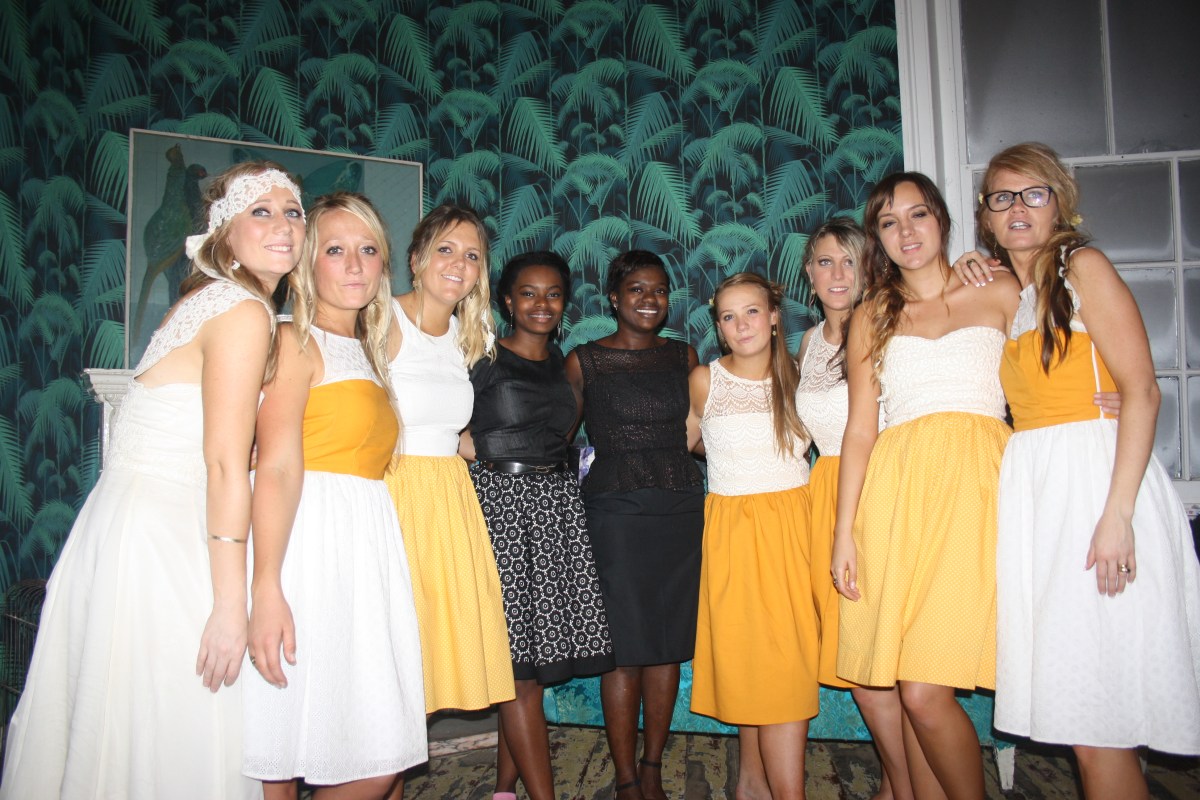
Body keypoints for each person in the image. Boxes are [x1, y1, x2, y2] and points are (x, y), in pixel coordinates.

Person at [0, 162, 304, 799]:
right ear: (223, 233)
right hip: (167, 534)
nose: (283, 225)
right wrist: (231, 605)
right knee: (182, 720)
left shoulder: (207, 299)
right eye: (261, 211)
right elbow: (224, 464)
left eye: (293, 212)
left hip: (126, 521)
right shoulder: (243, 311)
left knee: (122, 721)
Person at [967, 142, 1200, 799]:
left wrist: (1117, 517)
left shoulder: (1083, 267)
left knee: (1099, 722)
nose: (1018, 207)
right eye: (1002, 197)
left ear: (1059, 203)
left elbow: (1143, 390)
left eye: (1033, 193)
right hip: (1042, 499)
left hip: (1097, 492)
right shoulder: (1013, 294)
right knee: (1085, 717)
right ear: (986, 215)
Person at [830, 172, 1019, 800]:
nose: (906, 231)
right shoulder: (872, 315)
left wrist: (1101, 399)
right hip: (898, 496)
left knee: (923, 690)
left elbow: (1051, 369)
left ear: (942, 219)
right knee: (911, 672)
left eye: (917, 215)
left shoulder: (999, 289)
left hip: (979, 490)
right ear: (878, 239)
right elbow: (860, 430)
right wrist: (844, 533)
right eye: (889, 222)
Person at [243, 192, 426, 799]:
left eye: (368, 250)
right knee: (287, 728)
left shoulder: (367, 352)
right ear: (306, 264)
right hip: (308, 545)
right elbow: (273, 467)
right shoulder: (294, 340)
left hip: (360, 547)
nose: (354, 265)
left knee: (365, 738)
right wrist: (266, 587)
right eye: (335, 250)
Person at [461, 251, 615, 800]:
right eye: (528, 293)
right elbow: (443, 425)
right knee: (517, 672)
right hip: (499, 512)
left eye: (552, 294)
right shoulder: (480, 358)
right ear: (507, 300)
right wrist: (475, 452)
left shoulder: (563, 365)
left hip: (553, 511)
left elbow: (564, 437)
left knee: (525, 663)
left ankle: (505, 789)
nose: (541, 304)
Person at [564, 251, 705, 800]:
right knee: (623, 648)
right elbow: (558, 436)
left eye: (659, 290)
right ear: (614, 298)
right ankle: (625, 779)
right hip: (615, 513)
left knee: (666, 646)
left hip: (679, 508)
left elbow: (701, 430)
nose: (650, 299)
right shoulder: (584, 361)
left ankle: (651, 768)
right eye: (637, 289)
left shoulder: (682, 356)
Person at [381, 207, 514, 751]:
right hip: (393, 491)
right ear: (415, 260)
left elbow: (454, 435)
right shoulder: (380, 318)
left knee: (429, 646)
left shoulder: (469, 335)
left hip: (449, 496)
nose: (458, 263)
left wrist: (527, 452)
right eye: (445, 249)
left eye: (471, 255)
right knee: (390, 647)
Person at [793, 218, 913, 800]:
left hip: (882, 491)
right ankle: (901, 780)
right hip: (826, 495)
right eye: (825, 261)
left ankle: (905, 786)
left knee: (881, 660)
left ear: (871, 267)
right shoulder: (807, 342)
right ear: (809, 273)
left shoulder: (895, 321)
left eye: (850, 260)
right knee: (862, 661)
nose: (837, 274)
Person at [687, 272, 817, 800]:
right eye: (728, 316)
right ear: (718, 327)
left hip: (793, 529)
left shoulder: (802, 377)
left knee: (786, 661)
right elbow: (688, 441)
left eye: (752, 311)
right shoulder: (705, 380)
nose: (741, 325)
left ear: (775, 317)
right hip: (732, 532)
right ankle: (751, 780)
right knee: (748, 656)